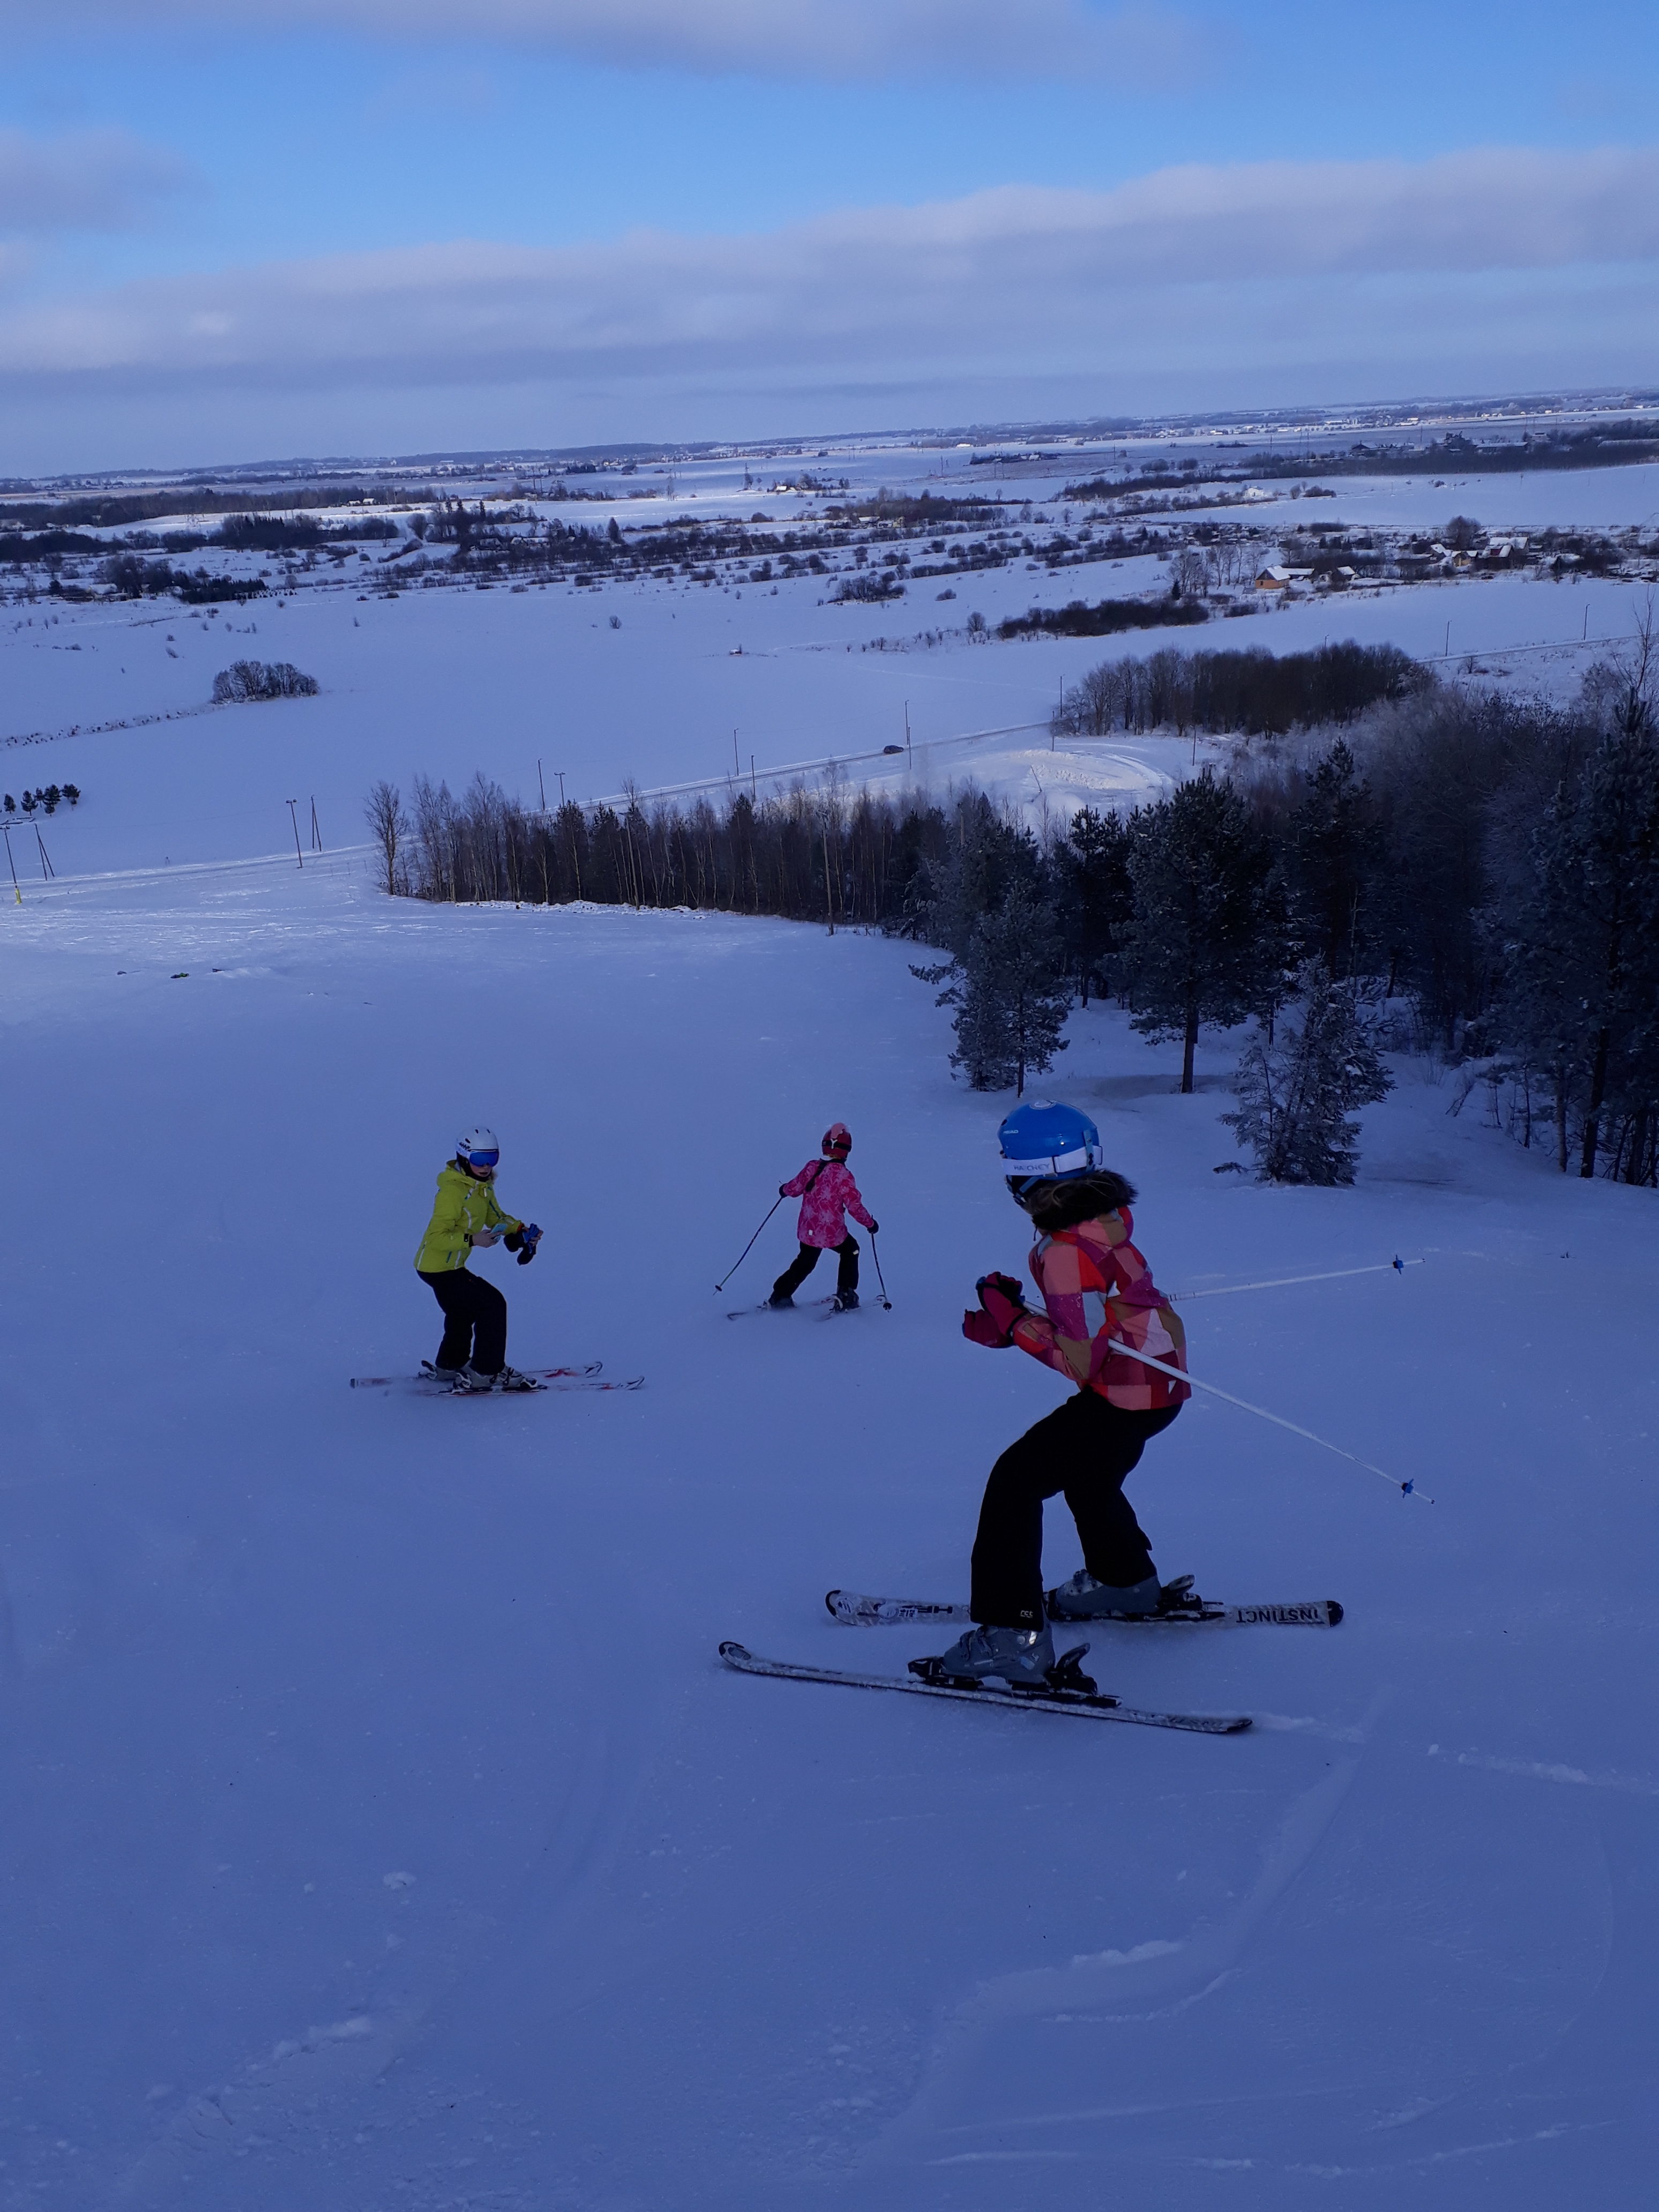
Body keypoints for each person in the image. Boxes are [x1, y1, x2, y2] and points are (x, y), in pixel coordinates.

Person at [928, 1100, 1189, 1689]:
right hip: (1159, 1386)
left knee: (1015, 1482)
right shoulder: (1105, 1221)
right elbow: (1096, 1322)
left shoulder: (1065, 1250)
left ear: (1024, 1177)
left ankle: (1011, 1637)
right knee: (1089, 1475)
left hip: (1122, 1395)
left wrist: (1013, 1323)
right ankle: (1124, 1581)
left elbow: (1080, 1359)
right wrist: (1017, 1318)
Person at [414, 1126, 543, 1391]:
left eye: (492, 1159)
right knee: (492, 1304)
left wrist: (520, 1230)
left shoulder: (482, 1188)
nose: (486, 1167)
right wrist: (472, 1240)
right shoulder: (452, 1192)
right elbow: (436, 1237)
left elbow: (496, 1217)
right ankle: (486, 1371)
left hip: (450, 1266)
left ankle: (450, 1365)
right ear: (464, 1157)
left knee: (462, 1312)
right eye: (479, 1160)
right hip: (437, 1267)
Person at [769, 1123, 878, 1311]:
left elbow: (795, 1187)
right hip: (831, 1232)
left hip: (808, 1230)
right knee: (851, 1250)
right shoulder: (843, 1175)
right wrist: (870, 1224)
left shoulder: (812, 1167)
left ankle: (780, 1295)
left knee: (806, 1262)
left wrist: (784, 1190)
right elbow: (854, 1206)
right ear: (847, 1151)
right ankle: (846, 1295)